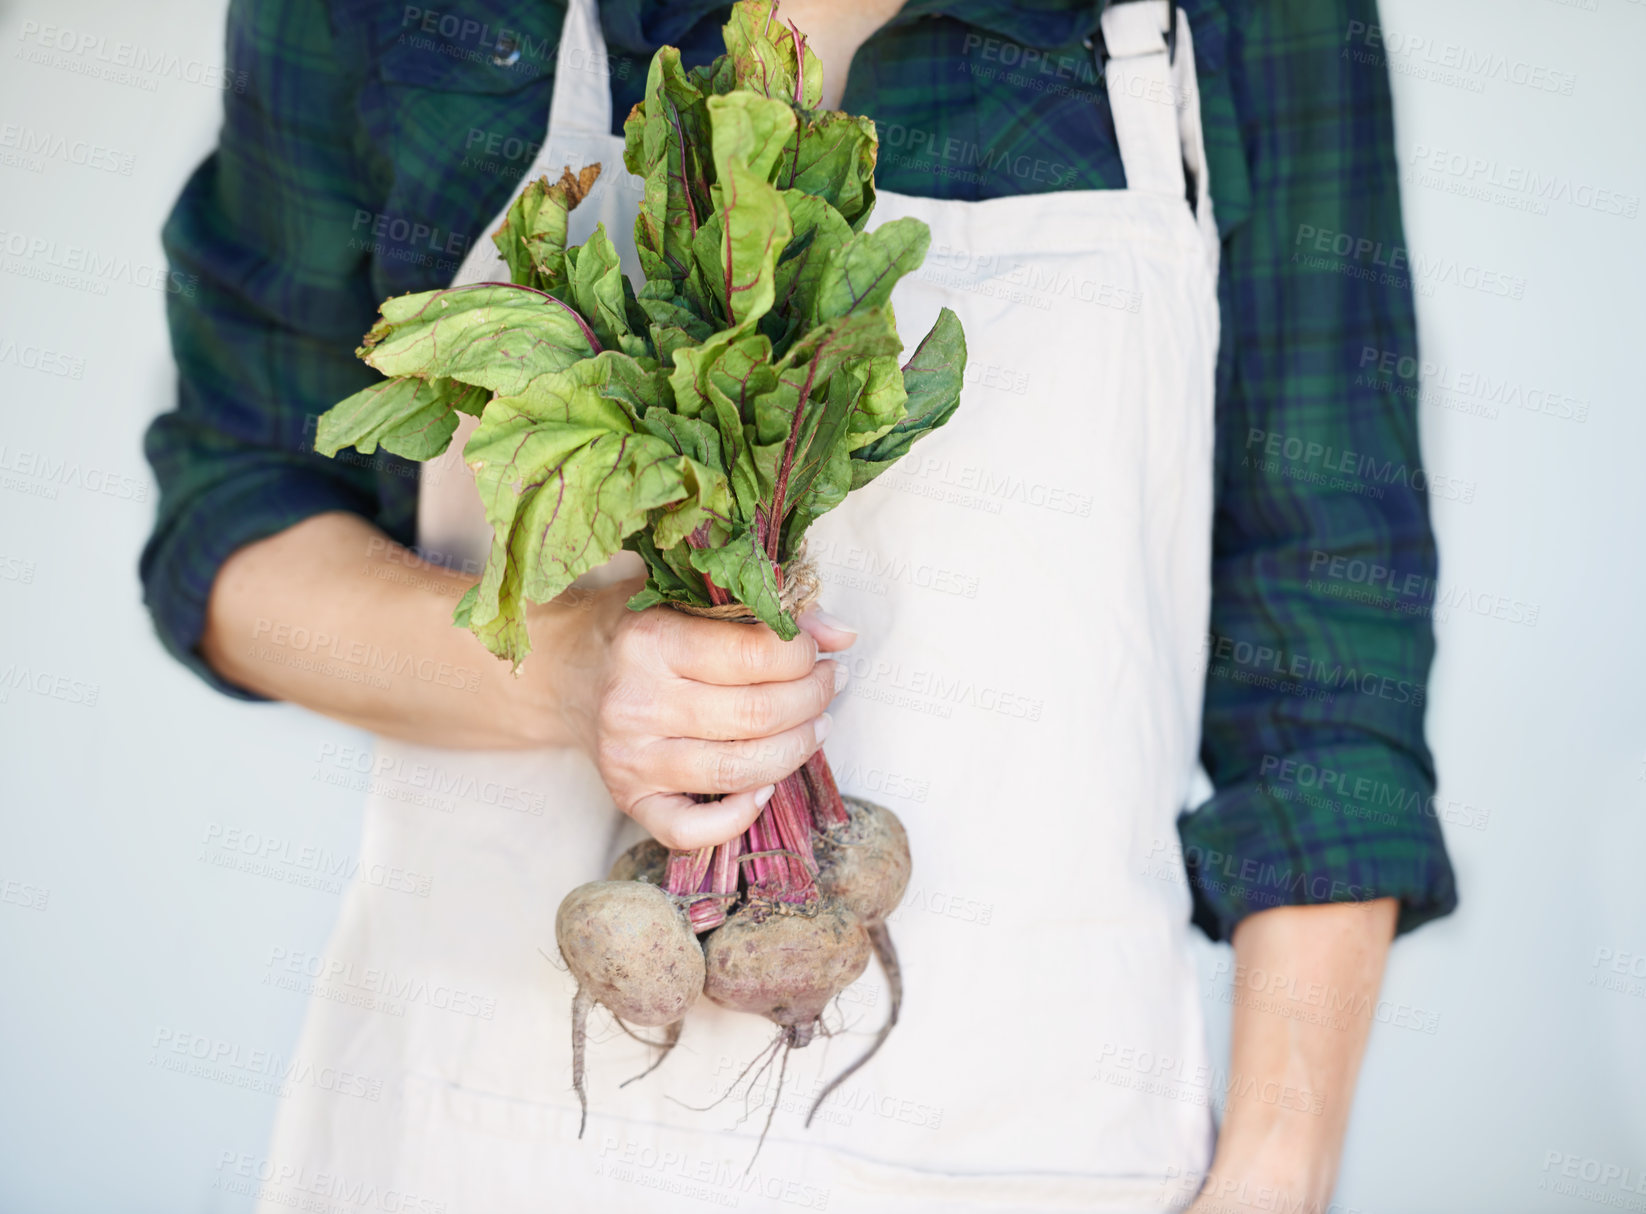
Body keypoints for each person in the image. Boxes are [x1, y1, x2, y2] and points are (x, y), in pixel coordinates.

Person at [142, 0, 1457, 1210]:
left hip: (1034, 1143)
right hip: (486, 1137)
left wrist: (1275, 1171)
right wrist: (572, 671)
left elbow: (1326, 646)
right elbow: (236, 524)